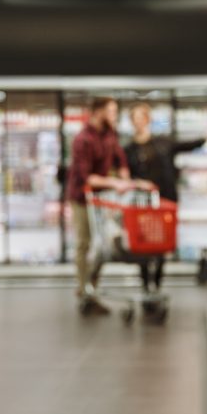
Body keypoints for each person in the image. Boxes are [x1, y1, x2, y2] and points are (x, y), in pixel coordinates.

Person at [124, 102, 207, 292]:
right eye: (135, 118)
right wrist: (139, 183)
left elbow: (193, 143)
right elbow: (125, 176)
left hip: (166, 201)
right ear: (132, 122)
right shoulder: (128, 149)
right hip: (142, 203)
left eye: (142, 117)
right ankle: (145, 285)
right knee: (142, 243)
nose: (139, 122)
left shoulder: (163, 142)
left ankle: (156, 283)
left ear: (148, 119)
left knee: (161, 244)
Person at [66, 96, 133, 314]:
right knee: (85, 243)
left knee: (103, 245)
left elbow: (119, 158)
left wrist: (124, 176)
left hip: (101, 199)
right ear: (97, 112)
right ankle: (84, 291)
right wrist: (114, 182)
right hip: (82, 198)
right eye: (111, 111)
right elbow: (86, 177)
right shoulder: (82, 139)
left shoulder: (109, 135)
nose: (115, 116)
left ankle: (92, 288)